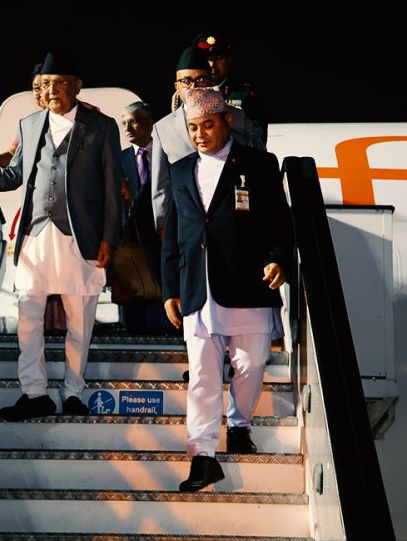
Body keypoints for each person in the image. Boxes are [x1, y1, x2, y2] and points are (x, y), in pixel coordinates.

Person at [0, 52, 122, 420]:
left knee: (80, 321)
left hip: (80, 235)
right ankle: (35, 392)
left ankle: (73, 392)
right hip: (36, 233)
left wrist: (109, 238)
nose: (52, 90)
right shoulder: (29, 124)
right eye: (46, 84)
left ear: (77, 86)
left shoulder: (101, 127)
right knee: (28, 316)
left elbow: (111, 187)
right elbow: (14, 174)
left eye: (60, 84)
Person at [161, 88, 293, 491]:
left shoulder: (258, 164)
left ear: (227, 121)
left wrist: (277, 259)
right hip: (198, 288)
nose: (200, 134)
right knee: (202, 375)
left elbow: (279, 223)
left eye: (208, 125)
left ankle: (239, 424)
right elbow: (173, 235)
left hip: (248, 283)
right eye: (193, 128)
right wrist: (169, 288)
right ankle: (202, 456)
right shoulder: (180, 169)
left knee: (250, 365)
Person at [150, 43, 265, 236]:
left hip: (232, 219)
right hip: (188, 224)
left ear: (211, 82)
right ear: (177, 86)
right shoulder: (163, 128)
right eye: (186, 81)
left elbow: (259, 154)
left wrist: (224, 127)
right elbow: (160, 186)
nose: (194, 87)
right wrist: (162, 227)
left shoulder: (235, 116)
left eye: (201, 79)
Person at [117, 101, 173, 334]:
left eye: (133, 121)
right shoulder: (118, 160)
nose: (127, 128)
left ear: (150, 123)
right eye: (124, 124)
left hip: (163, 233)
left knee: (163, 282)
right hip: (131, 238)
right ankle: (133, 330)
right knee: (133, 287)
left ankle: (168, 327)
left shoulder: (169, 155)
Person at [194, 31, 268, 142]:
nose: (212, 65)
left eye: (218, 58)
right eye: (207, 59)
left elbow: (257, 140)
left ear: (228, 60)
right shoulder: (189, 93)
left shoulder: (245, 93)